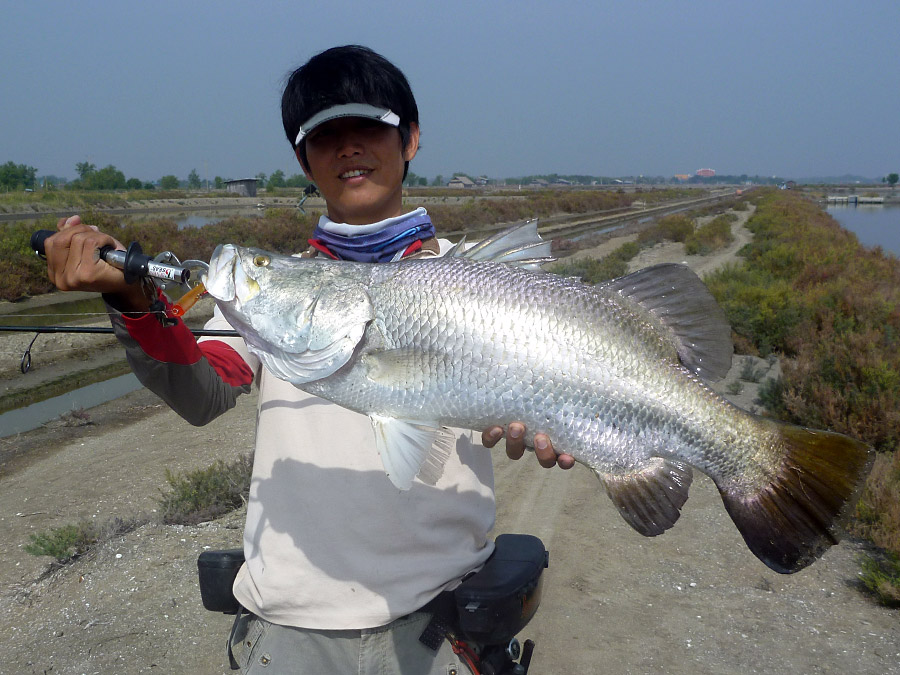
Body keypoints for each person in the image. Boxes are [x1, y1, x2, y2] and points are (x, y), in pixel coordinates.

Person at [43, 45, 572, 674]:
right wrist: (132, 300)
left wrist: (557, 423)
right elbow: (204, 388)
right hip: (290, 629)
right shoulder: (274, 299)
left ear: (410, 139)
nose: (348, 148)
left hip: (442, 621)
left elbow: (557, 387)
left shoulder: (484, 287)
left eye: (368, 128)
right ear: (303, 160)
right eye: (325, 137)